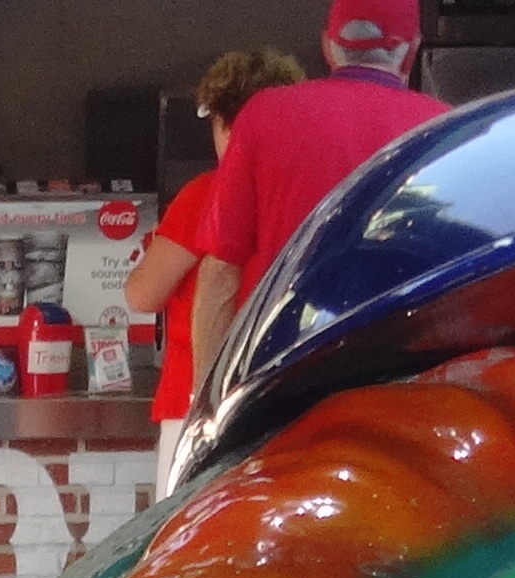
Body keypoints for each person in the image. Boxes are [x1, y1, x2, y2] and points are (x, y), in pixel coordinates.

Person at [180, 0, 443, 414]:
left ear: (327, 45)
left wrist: (205, 409)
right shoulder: (440, 128)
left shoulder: (265, 113)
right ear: (411, 49)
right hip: (399, 388)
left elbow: (219, 276)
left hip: (280, 387)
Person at [122, 45, 299, 486]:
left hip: (197, 402)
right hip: (281, 398)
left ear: (222, 121)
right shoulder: (296, 191)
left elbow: (142, 294)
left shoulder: (205, 194)